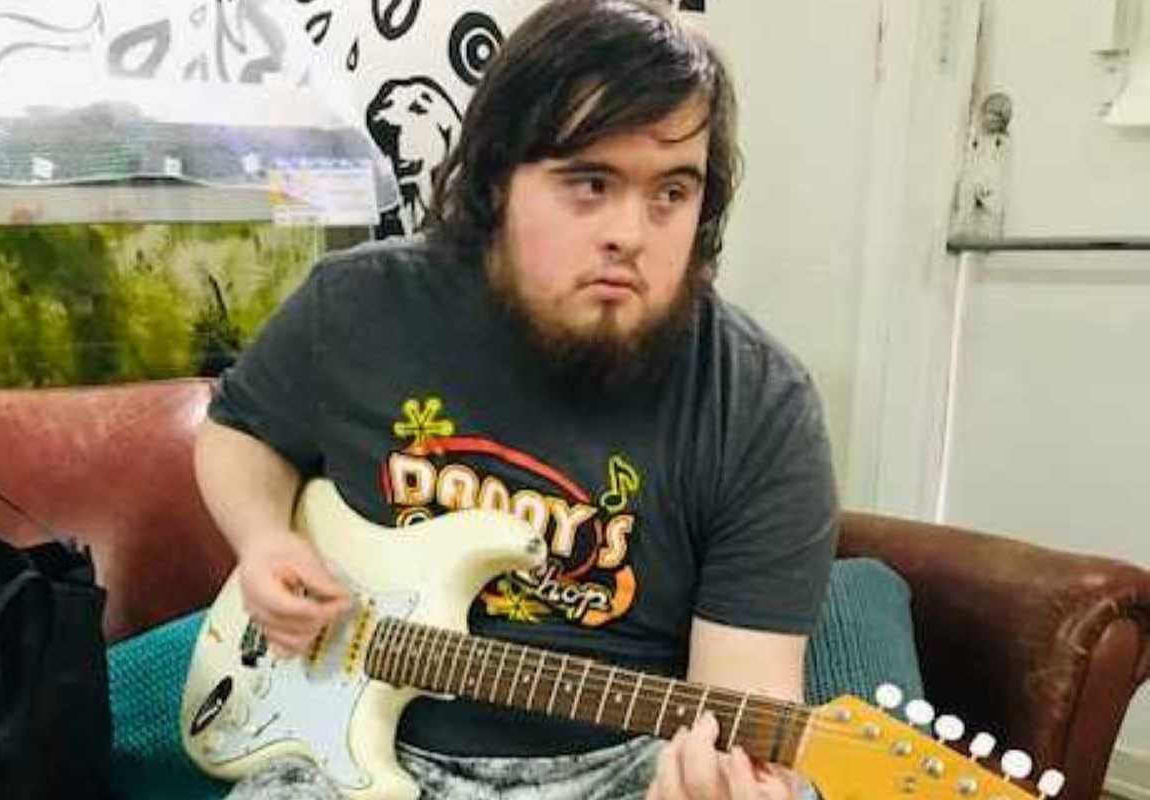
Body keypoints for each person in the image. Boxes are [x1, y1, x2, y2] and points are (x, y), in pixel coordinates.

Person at [194, 1, 838, 798]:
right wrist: (262, 540)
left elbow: (744, 703)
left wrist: (720, 783)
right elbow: (237, 433)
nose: (630, 234)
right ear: (498, 180)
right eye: (590, 184)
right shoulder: (359, 306)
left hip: (620, 765)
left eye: (671, 193)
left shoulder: (760, 405)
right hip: (340, 737)